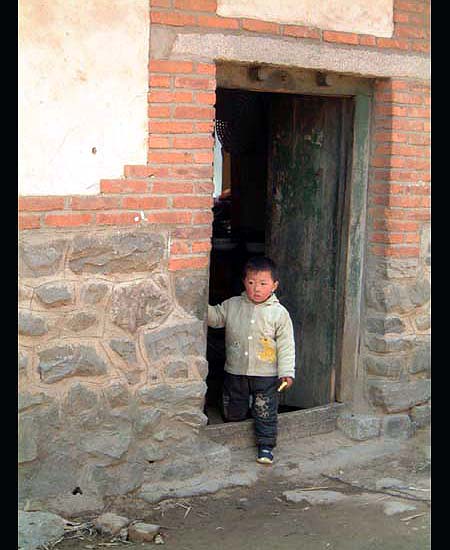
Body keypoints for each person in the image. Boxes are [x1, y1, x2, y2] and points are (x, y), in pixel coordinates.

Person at [207, 256, 295, 465]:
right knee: (233, 407)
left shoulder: (279, 314)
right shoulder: (232, 305)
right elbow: (215, 318)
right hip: (235, 370)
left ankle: (266, 446)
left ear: (274, 286)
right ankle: (234, 437)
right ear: (244, 282)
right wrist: (199, 301)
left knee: (265, 410)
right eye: (251, 282)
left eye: (263, 284)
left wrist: (287, 372)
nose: (256, 288)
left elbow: (286, 345)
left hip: (266, 374)